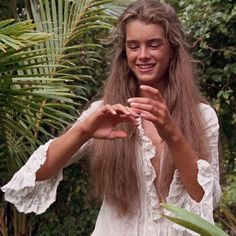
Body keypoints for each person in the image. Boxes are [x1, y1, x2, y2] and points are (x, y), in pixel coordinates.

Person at [1, 0, 221, 235]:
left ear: (172, 49)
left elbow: (206, 199)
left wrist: (173, 135)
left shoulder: (202, 117)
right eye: (133, 46)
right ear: (124, 52)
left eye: (154, 44)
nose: (143, 55)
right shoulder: (106, 112)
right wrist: (83, 131)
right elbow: (34, 176)